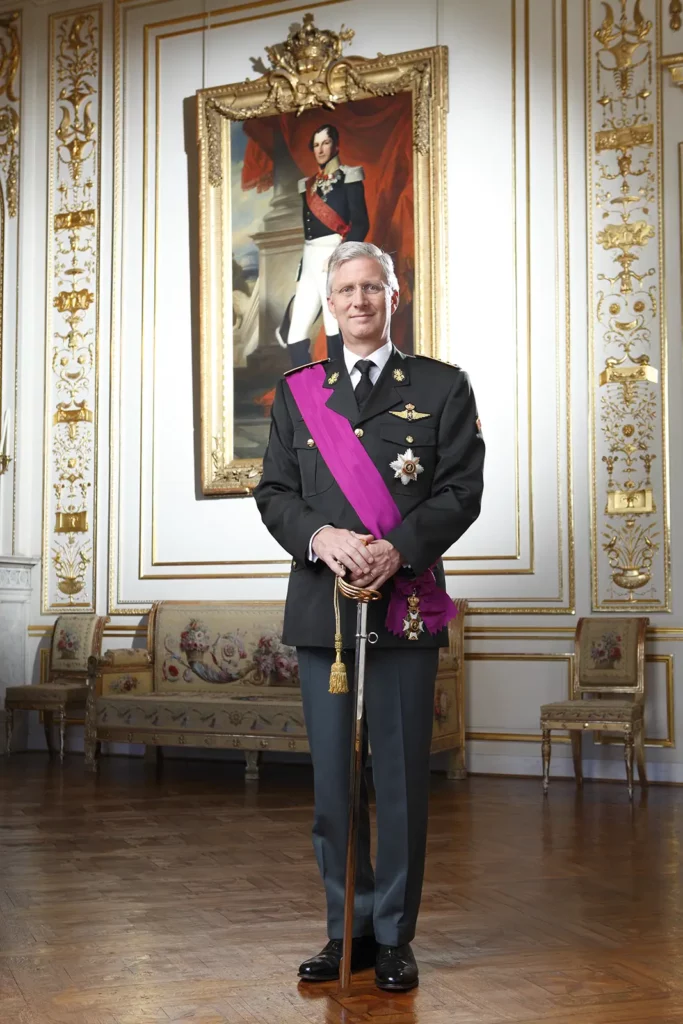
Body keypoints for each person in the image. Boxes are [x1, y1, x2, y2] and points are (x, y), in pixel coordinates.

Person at [254, 241, 485, 992]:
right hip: (323, 612)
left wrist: (399, 549)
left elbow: (459, 490)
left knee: (400, 782)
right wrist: (320, 537)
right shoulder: (298, 393)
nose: (358, 301)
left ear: (393, 296)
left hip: (404, 606)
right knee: (333, 786)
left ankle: (393, 936)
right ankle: (344, 930)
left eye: (371, 288)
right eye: (345, 290)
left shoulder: (441, 387)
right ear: (329, 303)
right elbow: (275, 493)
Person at [276, 124, 370, 369]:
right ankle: (309, 397)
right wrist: (302, 270)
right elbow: (309, 237)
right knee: (294, 334)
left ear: (335, 145)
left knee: (333, 326)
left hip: (334, 259)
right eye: (316, 145)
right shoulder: (306, 186)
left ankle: (341, 393)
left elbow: (360, 224)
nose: (320, 149)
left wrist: (339, 257)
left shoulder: (349, 177)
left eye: (325, 143)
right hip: (309, 262)